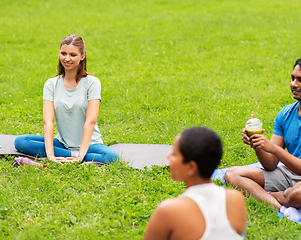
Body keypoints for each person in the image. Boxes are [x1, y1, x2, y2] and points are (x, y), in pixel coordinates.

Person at [225, 55, 301, 221]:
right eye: (293, 78)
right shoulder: (285, 114)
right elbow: (271, 164)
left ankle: (267, 196)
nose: (294, 84)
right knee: (232, 175)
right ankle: (283, 207)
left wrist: (273, 148)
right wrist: (259, 145)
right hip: (292, 171)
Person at [14, 34, 119, 165]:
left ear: (82, 56)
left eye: (73, 55)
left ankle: (77, 157)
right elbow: (48, 122)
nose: (67, 58)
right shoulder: (51, 84)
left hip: (90, 145)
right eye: (63, 53)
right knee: (21, 142)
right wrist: (51, 154)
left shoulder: (92, 83)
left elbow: (90, 122)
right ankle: (71, 156)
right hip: (62, 143)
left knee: (112, 156)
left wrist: (80, 155)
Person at [143, 127, 247, 240]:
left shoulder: (168, 210)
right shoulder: (236, 199)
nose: (168, 156)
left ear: (191, 168)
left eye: (174, 154)